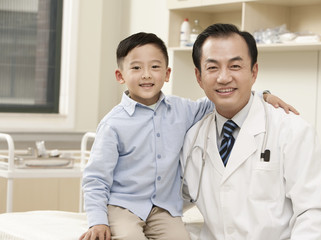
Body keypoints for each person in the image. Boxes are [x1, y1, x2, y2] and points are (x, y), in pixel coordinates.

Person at [79, 32, 298, 240]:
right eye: (136, 68)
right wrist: (98, 221)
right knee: (129, 237)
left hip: (164, 208)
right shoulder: (112, 124)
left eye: (155, 67)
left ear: (167, 74)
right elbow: (96, 178)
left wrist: (263, 95)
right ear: (120, 75)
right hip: (123, 206)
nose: (146, 74)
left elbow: (219, 97)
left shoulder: (181, 109)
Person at [180, 23, 321, 240]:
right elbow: (171, 201)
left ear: (254, 72)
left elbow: (316, 214)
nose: (224, 77)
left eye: (235, 66)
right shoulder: (193, 137)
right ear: (199, 77)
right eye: (213, 67)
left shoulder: (291, 130)